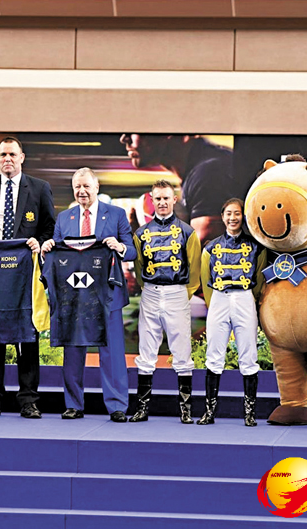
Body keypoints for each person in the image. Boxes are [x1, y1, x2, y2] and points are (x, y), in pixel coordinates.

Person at [0, 136, 56, 419]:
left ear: (22, 157)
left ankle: (28, 400)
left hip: (24, 276)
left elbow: (49, 228)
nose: (7, 159)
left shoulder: (39, 188)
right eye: (3, 154)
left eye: (12, 154)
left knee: (26, 337)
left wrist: (39, 242)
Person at [41, 167, 135, 422]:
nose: (82, 191)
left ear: (97, 187)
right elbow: (56, 252)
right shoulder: (64, 218)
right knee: (73, 352)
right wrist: (47, 247)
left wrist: (120, 247)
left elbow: (132, 251)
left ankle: (117, 406)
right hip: (72, 297)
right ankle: (73, 405)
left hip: (108, 295)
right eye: (77, 187)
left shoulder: (116, 214)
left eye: (86, 186)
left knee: (112, 353)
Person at [131, 180, 202, 423]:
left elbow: (195, 268)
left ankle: (186, 409)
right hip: (150, 292)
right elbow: (139, 267)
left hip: (177, 292)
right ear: (152, 200)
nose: (162, 203)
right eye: (158, 198)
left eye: (166, 198)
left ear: (174, 200)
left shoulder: (187, 232)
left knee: (182, 350)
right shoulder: (141, 234)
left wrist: (183, 293)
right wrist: (149, 288)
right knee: (146, 350)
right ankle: (142, 408)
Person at [197, 198, 267, 426]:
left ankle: (250, 413)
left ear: (242, 216)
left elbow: (259, 279)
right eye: (228, 213)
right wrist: (213, 304)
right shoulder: (211, 247)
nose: (232, 218)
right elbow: (205, 278)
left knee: (249, 355)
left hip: (244, 297)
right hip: (219, 298)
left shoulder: (255, 247)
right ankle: (209, 412)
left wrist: (249, 299)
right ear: (222, 216)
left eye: (236, 213)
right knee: (214, 355)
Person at [120, 134, 245, 244]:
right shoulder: (201, 166)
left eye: (134, 130)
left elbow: (203, 257)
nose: (124, 139)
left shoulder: (209, 173)